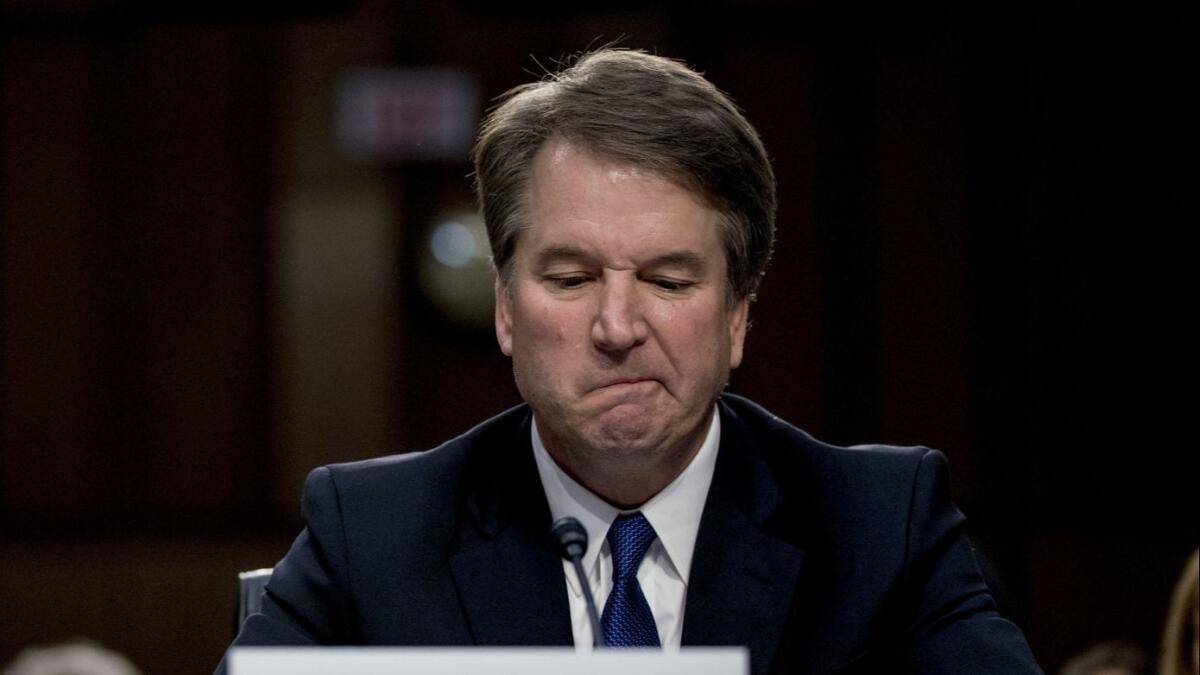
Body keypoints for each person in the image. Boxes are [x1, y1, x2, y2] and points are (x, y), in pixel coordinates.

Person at [216, 48, 1042, 674]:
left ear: (738, 318)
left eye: (668, 279)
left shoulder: (879, 528)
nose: (617, 325)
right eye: (571, 279)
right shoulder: (377, 533)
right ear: (506, 307)